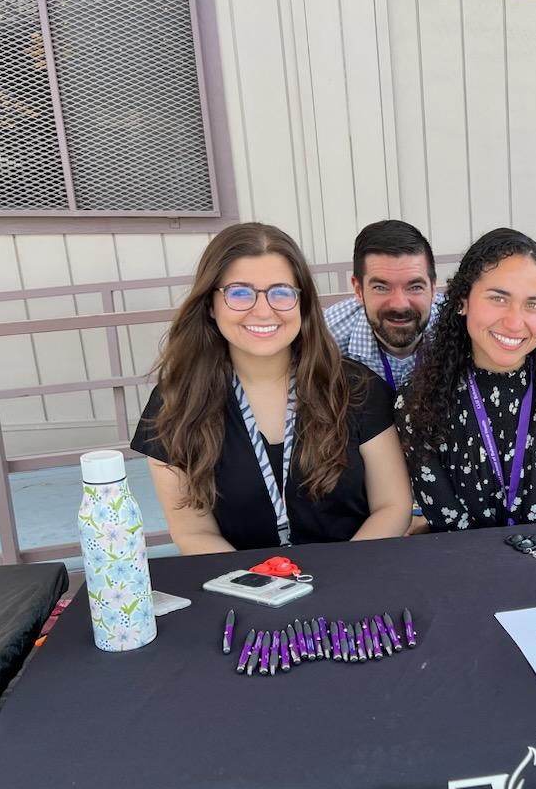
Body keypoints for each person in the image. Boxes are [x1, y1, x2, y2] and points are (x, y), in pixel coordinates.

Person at [132, 222, 413, 553]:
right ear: (210, 304)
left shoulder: (357, 388)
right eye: (239, 293)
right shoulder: (175, 403)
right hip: (240, 587)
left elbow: (393, 506)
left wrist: (340, 579)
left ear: (303, 303)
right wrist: (259, 588)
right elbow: (194, 532)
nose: (263, 310)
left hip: (353, 580)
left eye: (281, 292)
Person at [398, 228, 536, 531]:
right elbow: (450, 530)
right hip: (469, 572)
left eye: (533, 304)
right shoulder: (418, 403)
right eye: (499, 298)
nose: (514, 322)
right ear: (463, 300)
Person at [325, 219, 441, 391]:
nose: (400, 305)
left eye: (415, 287)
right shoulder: (326, 339)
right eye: (381, 288)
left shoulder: (462, 328)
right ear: (358, 290)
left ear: (432, 289)